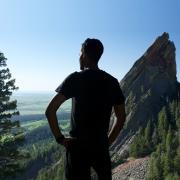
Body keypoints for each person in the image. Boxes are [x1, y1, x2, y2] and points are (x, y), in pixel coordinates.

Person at [45, 38, 126, 180]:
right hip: (100, 146)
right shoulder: (112, 82)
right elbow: (121, 117)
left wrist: (60, 139)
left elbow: (50, 110)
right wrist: (107, 142)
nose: (79, 57)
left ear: (84, 55)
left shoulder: (75, 78)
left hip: (77, 148)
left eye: (80, 53)